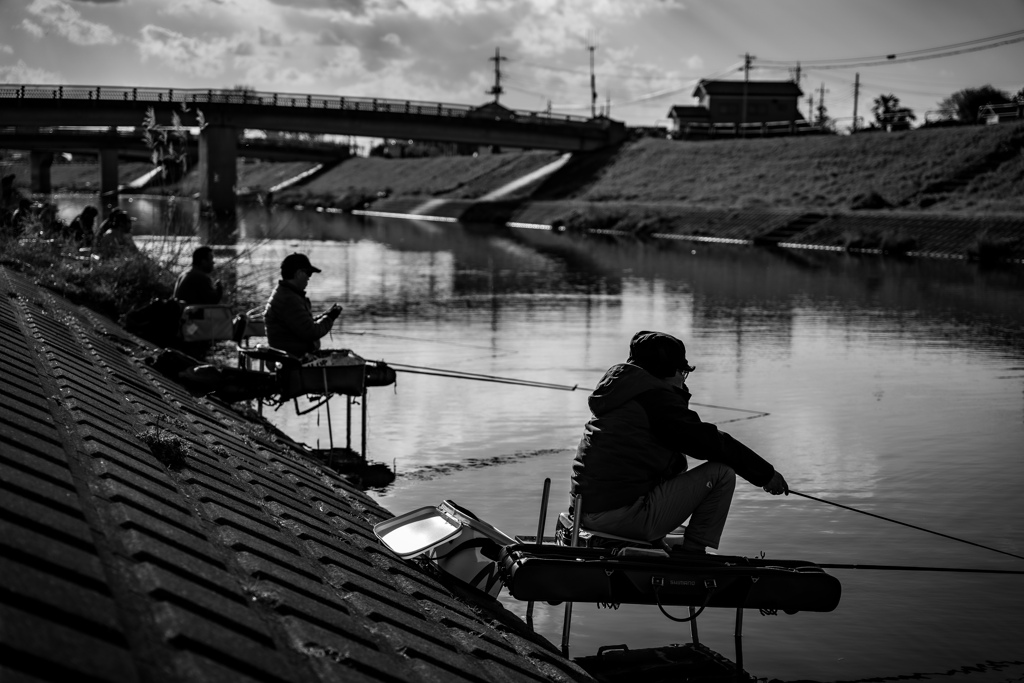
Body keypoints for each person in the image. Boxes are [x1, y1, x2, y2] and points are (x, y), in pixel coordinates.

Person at [570, 330, 789, 555]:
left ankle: (663, 545)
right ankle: (692, 555)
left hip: (585, 512)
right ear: (668, 371)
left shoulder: (623, 392)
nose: (683, 381)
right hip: (620, 516)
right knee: (721, 473)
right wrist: (764, 474)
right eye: (683, 372)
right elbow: (712, 444)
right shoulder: (656, 400)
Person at [263, 253, 342, 358]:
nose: (309, 278)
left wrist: (325, 315)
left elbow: (303, 324)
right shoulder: (289, 299)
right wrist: (330, 318)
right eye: (308, 273)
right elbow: (311, 332)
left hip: (292, 358)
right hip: (292, 362)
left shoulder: (286, 294)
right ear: (299, 273)